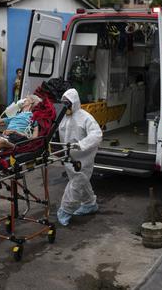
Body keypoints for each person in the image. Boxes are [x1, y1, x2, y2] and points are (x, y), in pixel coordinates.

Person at [56, 89, 103, 226]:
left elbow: (97, 134)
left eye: (68, 104)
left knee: (76, 183)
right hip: (69, 156)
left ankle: (65, 209)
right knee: (80, 181)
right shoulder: (63, 117)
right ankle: (90, 203)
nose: (66, 108)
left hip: (84, 157)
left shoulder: (85, 117)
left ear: (74, 103)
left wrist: (81, 145)